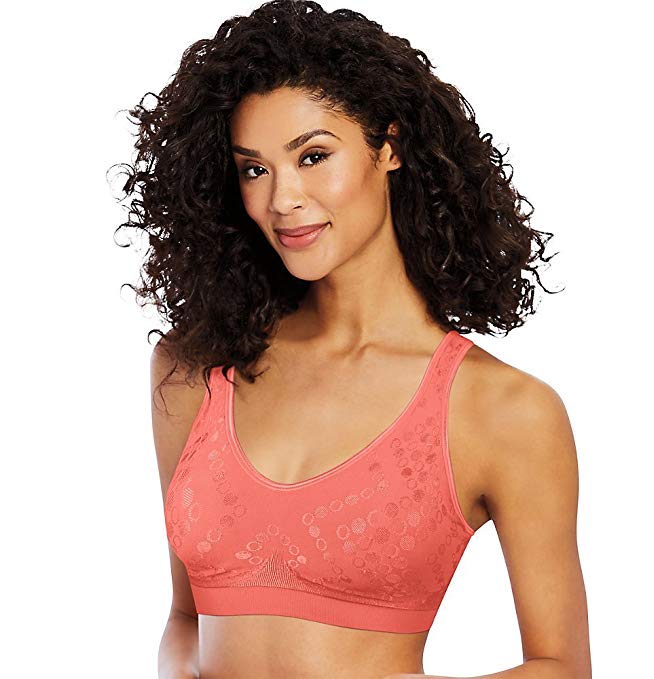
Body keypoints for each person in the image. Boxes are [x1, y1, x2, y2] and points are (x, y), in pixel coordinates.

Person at [116, 1, 591, 677]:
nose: (282, 199)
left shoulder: (502, 410)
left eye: (313, 156)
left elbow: (561, 667)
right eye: (254, 168)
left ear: (388, 146)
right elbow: (186, 618)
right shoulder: (196, 368)